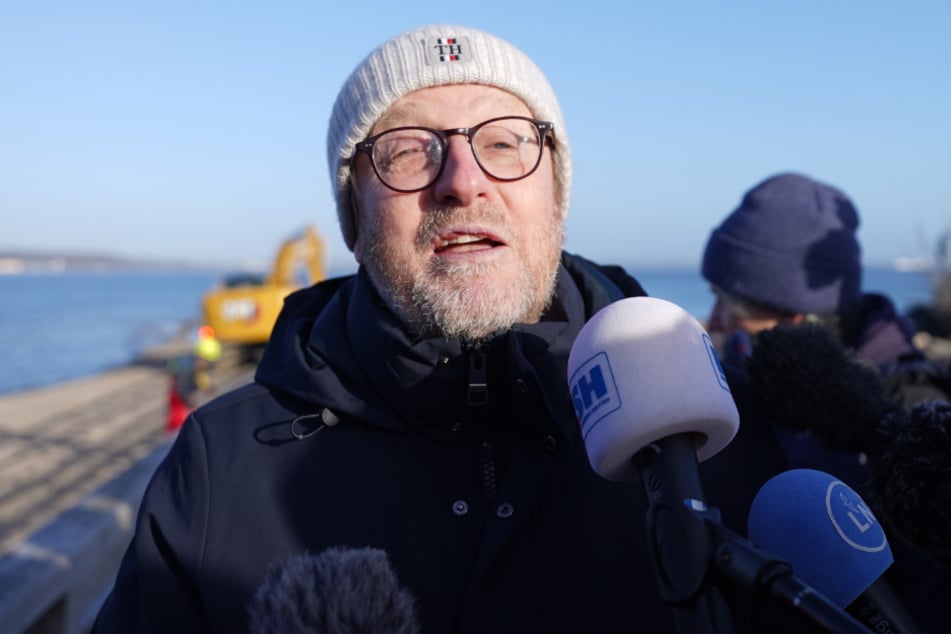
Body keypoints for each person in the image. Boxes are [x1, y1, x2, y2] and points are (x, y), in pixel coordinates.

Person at [92, 24, 702, 633]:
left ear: (557, 196)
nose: (463, 182)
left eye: (505, 143)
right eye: (408, 150)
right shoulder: (220, 471)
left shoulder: (703, 433)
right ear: (354, 221)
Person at [697, 172, 951, 632]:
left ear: (796, 318)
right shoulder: (750, 394)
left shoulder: (916, 423)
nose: (713, 321)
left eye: (729, 303)